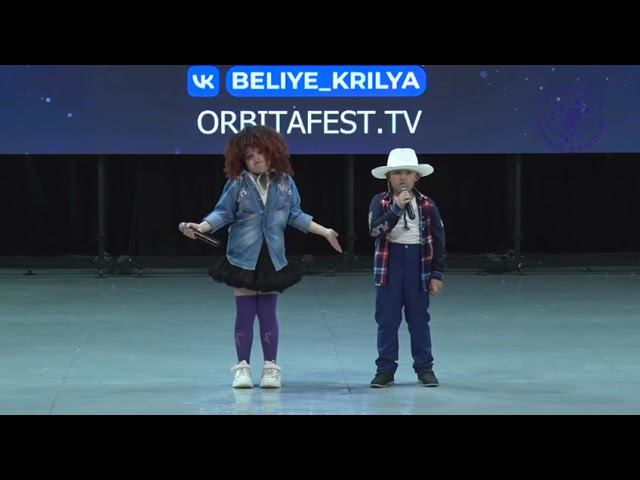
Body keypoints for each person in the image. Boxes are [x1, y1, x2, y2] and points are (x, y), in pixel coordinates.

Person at [181, 125, 342, 389]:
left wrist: (325, 232)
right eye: (249, 155)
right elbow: (222, 213)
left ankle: (271, 368)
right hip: (242, 259)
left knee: (268, 314)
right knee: (245, 314)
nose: (256, 159)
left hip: (273, 258)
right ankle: (242, 368)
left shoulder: (286, 183)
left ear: (272, 152)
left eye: (260, 153)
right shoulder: (237, 184)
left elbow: (295, 215)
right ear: (241, 160)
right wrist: (201, 226)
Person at [368, 148, 446, 388]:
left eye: (408, 173)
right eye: (397, 173)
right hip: (390, 265)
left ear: (416, 177)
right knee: (387, 319)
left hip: (417, 265)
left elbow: (439, 240)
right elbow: (375, 231)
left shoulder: (427, 204)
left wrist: (437, 273)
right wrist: (395, 209)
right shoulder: (380, 202)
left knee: (419, 319)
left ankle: (424, 368)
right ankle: (385, 369)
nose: (402, 177)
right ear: (388, 177)